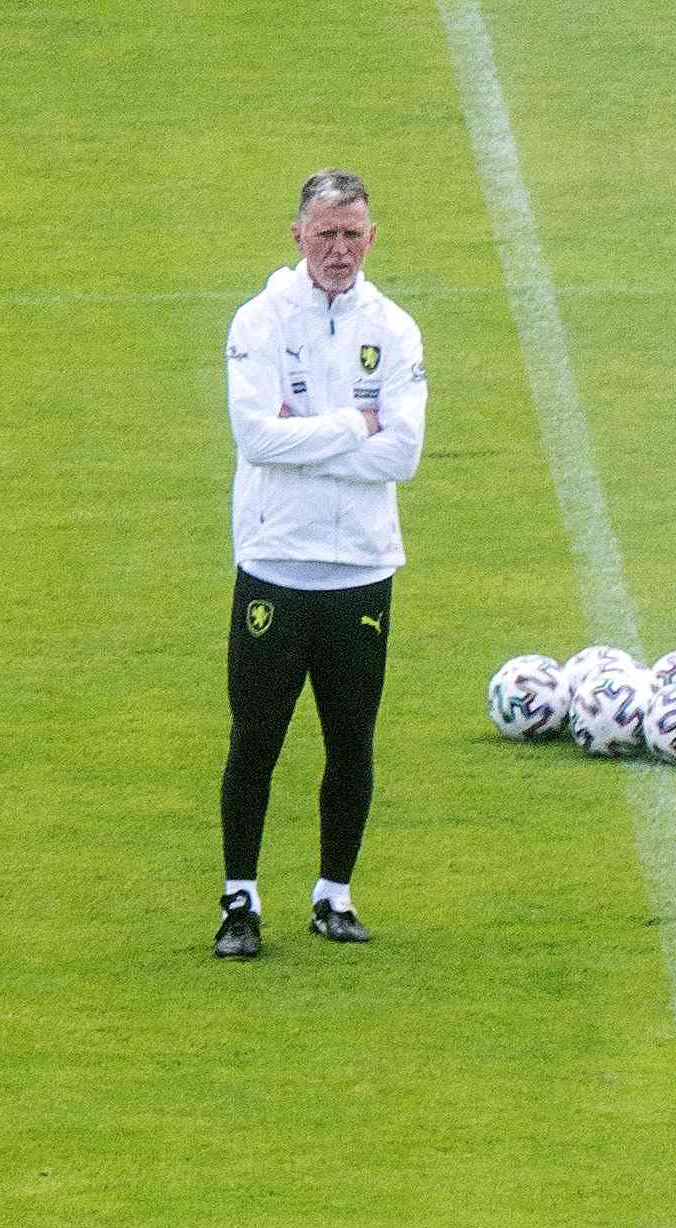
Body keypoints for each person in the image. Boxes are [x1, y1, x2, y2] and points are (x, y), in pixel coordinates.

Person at [214, 170, 429, 960]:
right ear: (297, 235)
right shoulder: (259, 322)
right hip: (275, 563)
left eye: (352, 234)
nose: (339, 250)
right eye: (325, 234)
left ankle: (333, 895)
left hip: (361, 568)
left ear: (372, 238)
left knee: (352, 740)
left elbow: (402, 455)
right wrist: (352, 426)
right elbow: (256, 441)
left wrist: (308, 436)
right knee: (256, 739)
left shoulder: (396, 330)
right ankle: (239, 899)